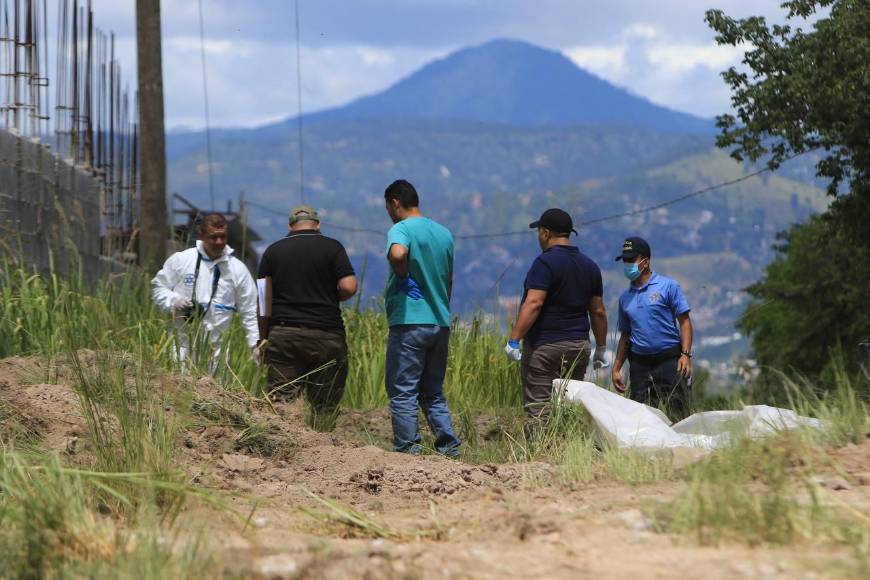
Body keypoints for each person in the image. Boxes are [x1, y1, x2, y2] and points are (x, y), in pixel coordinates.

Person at [504, 208, 608, 432]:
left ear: (545, 232)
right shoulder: (590, 266)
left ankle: (539, 459)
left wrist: (514, 340)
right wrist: (601, 347)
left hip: (546, 347)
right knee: (568, 405)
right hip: (579, 347)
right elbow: (598, 311)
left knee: (539, 409)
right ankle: (565, 456)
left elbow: (534, 303)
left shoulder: (545, 263)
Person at [257, 204, 358, 430]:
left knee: (282, 403)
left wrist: (263, 338)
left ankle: (284, 454)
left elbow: (263, 300)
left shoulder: (273, 251)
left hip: (284, 335)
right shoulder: (333, 248)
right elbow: (349, 286)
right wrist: (331, 297)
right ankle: (324, 457)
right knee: (325, 406)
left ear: (290, 226)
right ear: (318, 224)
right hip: (327, 334)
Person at [384, 179, 461, 457]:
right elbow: (449, 279)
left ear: (395, 203)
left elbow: (398, 253)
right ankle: (449, 449)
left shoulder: (401, 228)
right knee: (433, 392)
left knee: (403, 390)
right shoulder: (444, 233)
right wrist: (440, 306)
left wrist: (403, 274)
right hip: (439, 321)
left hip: (410, 321)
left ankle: (408, 451)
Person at [151, 213, 259, 368]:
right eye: (213, 237)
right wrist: (174, 301)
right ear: (201, 236)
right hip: (181, 347)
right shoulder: (182, 260)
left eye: (223, 237)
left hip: (217, 354)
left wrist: (254, 344)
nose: (219, 242)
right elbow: (157, 288)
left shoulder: (237, 269)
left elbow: (250, 311)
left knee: (214, 391)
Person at [611, 237, 694, 419]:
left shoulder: (667, 286)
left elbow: (685, 322)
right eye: (625, 261)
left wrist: (685, 355)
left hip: (669, 360)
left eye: (631, 260)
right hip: (639, 363)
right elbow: (626, 335)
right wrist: (617, 367)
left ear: (645, 261)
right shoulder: (625, 298)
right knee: (640, 415)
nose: (627, 265)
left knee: (678, 411)